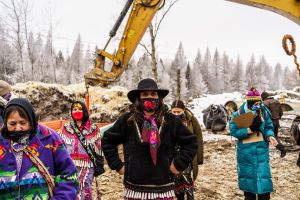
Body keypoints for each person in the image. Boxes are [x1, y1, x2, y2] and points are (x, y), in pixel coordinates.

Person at [101, 78, 198, 200]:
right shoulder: (127, 121)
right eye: (145, 94)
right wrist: (118, 166)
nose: (150, 98)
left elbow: (191, 142)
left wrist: (178, 164)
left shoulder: (171, 121)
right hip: (134, 188)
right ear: (138, 98)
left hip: (163, 187)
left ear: (159, 98)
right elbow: (107, 141)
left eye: (153, 94)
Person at [0, 98, 78, 199]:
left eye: (23, 123)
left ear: (31, 121)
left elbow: (69, 175)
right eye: (12, 124)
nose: (18, 128)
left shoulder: (49, 138)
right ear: (5, 123)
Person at [229, 88, 278, 200]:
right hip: (245, 152)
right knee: (248, 184)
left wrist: (270, 135)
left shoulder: (264, 112)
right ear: (249, 102)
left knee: (264, 182)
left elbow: (269, 126)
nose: (258, 104)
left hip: (262, 150)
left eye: (259, 102)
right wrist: (247, 130)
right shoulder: (238, 114)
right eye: (254, 103)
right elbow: (233, 131)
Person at [58, 101, 104, 200]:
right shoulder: (65, 128)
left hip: (87, 165)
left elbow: (99, 148)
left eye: (79, 109)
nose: (77, 111)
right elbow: (59, 146)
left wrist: (99, 164)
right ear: (71, 112)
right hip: (70, 165)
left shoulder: (93, 129)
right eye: (74, 109)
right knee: (71, 189)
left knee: (84, 189)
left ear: (84, 112)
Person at [170, 100, 203, 200]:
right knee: (177, 183)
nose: (176, 114)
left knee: (188, 181)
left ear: (183, 110)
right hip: (173, 156)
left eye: (178, 112)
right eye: (174, 112)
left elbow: (198, 139)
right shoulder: (166, 120)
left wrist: (199, 158)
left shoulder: (191, 120)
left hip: (187, 156)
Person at [261, 91, 286, 158]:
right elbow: (281, 113)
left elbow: (264, 115)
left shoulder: (264, 103)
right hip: (276, 122)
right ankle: (282, 148)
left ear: (263, 97)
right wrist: (277, 119)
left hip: (269, 123)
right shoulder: (277, 101)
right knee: (275, 137)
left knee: (268, 137)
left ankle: (282, 149)